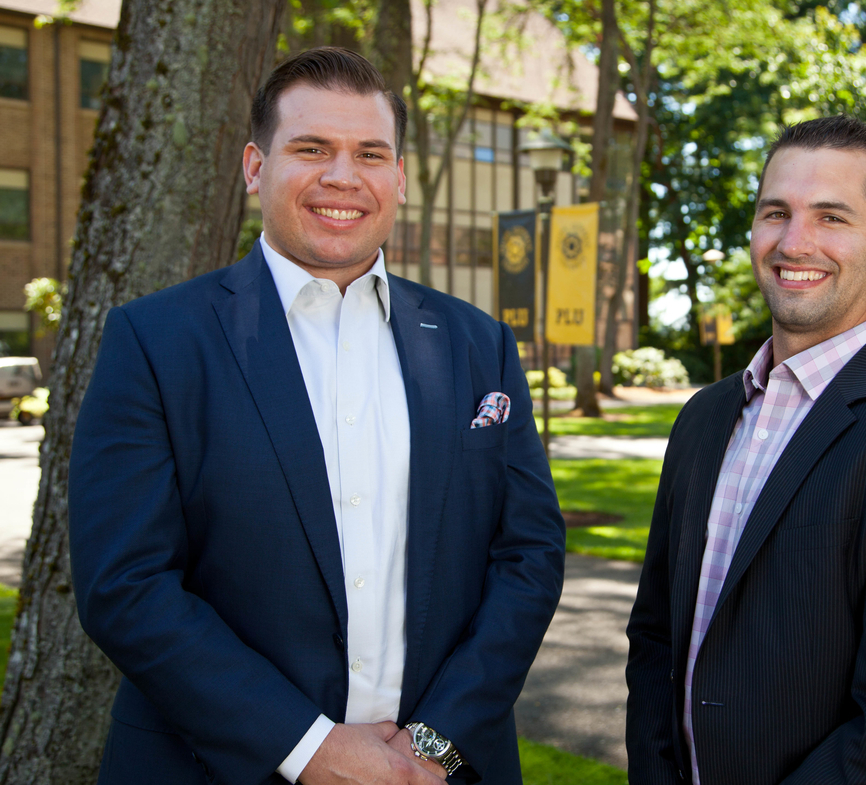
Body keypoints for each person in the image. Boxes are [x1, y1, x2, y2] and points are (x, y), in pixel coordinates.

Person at [69, 47, 565, 785]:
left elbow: (527, 557)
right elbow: (126, 583)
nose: (343, 176)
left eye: (370, 153)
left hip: (439, 769)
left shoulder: (477, 344)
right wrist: (312, 749)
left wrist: (433, 747)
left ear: (397, 177)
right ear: (254, 166)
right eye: (311, 149)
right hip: (213, 765)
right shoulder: (157, 340)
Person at [625, 115, 866, 785]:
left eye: (832, 217)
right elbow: (656, 641)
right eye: (774, 212)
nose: (794, 240)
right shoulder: (703, 419)